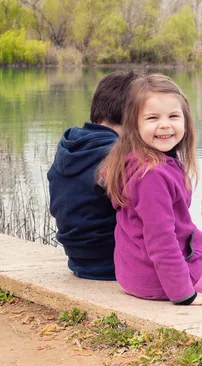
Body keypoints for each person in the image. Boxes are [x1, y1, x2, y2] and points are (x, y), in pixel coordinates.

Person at [98, 73, 202, 305]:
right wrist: (185, 295)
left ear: (185, 122)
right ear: (133, 125)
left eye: (173, 116)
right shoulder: (151, 175)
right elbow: (161, 241)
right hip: (157, 280)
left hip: (135, 274)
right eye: (152, 118)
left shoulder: (137, 160)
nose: (165, 124)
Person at [47, 71, 140, 281]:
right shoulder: (119, 155)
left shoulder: (70, 147)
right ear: (135, 115)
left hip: (79, 261)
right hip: (115, 264)